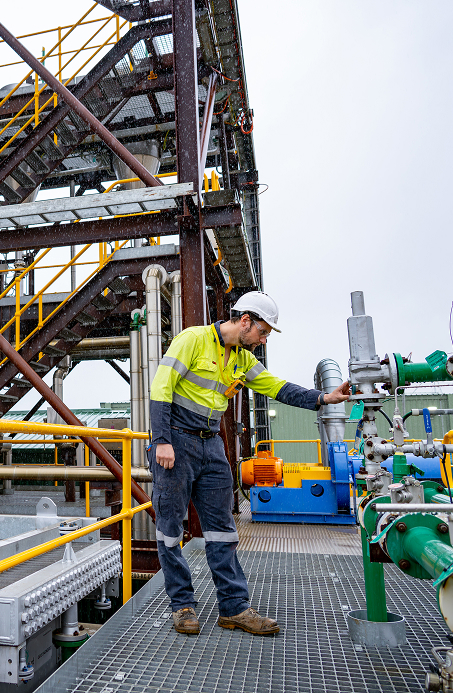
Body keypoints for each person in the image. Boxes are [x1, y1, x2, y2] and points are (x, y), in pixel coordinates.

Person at [149, 291, 350, 636]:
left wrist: (322, 398)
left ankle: (234, 608)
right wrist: (162, 441)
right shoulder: (192, 340)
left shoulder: (242, 359)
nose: (263, 338)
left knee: (222, 530)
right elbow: (160, 389)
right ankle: (182, 605)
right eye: (263, 331)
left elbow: (276, 387)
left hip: (211, 445)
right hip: (177, 442)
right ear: (245, 321)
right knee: (169, 529)